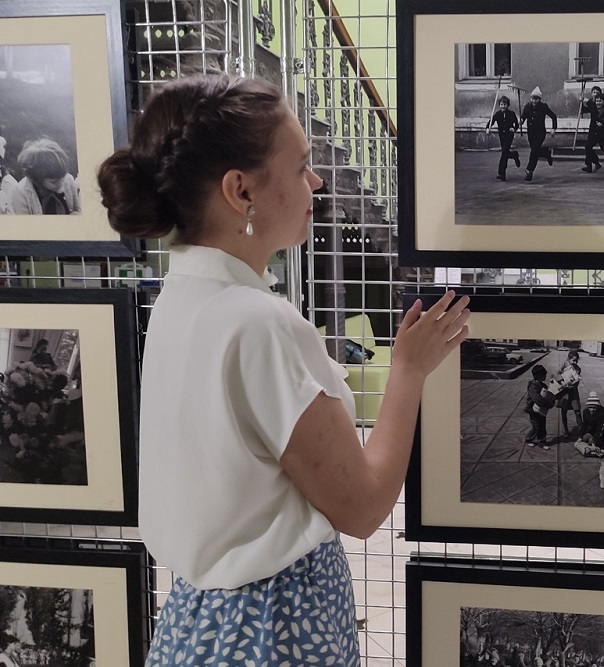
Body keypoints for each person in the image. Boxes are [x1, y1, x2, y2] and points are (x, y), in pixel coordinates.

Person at [96, 74, 471, 666]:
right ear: (240, 190)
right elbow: (364, 508)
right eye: (300, 167)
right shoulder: (257, 323)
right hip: (274, 629)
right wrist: (409, 370)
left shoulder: (180, 298)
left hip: (198, 624)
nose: (317, 182)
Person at [10, 138, 81, 215]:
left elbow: (78, 209)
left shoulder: (68, 179)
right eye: (53, 182)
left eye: (62, 178)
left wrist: (76, 214)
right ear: (37, 178)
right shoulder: (20, 193)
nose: (60, 184)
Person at [520, 86, 557, 182]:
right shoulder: (527, 106)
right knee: (535, 151)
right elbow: (523, 117)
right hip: (531, 133)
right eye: (533, 98)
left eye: (536, 99)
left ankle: (529, 171)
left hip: (540, 133)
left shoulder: (543, 107)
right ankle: (545, 152)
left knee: (533, 152)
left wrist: (553, 128)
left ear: (539, 99)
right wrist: (521, 121)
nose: (534, 101)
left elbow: (553, 116)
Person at [581, 92, 604, 174]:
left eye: (600, 101)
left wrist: (603, 124)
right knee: (588, 146)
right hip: (594, 132)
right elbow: (584, 110)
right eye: (597, 101)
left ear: (603, 102)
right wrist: (581, 102)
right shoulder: (593, 109)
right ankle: (596, 162)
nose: (598, 103)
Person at [486, 95, 521, 181]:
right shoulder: (498, 114)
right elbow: (491, 121)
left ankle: (501, 173)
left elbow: (516, 124)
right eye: (501, 104)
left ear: (508, 105)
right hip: (502, 136)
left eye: (505, 104)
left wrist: (514, 128)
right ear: (499, 105)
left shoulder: (511, 114)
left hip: (509, 135)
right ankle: (514, 155)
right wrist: (487, 128)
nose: (503, 106)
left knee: (504, 153)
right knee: (505, 153)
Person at [553, 350, 583, 438]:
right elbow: (557, 374)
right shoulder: (564, 364)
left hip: (573, 392)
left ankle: (581, 430)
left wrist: (574, 384)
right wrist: (562, 382)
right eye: (573, 360)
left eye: (576, 360)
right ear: (568, 359)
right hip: (564, 392)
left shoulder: (578, 369)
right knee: (564, 410)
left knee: (577, 411)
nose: (575, 362)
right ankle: (566, 430)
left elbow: (577, 380)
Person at [524, 364, 554, 449]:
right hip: (533, 409)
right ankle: (529, 439)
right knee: (536, 426)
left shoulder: (543, 385)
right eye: (543, 375)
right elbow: (537, 399)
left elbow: (548, 395)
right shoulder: (533, 386)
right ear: (538, 376)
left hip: (541, 409)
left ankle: (541, 441)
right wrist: (547, 403)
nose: (545, 376)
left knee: (542, 426)